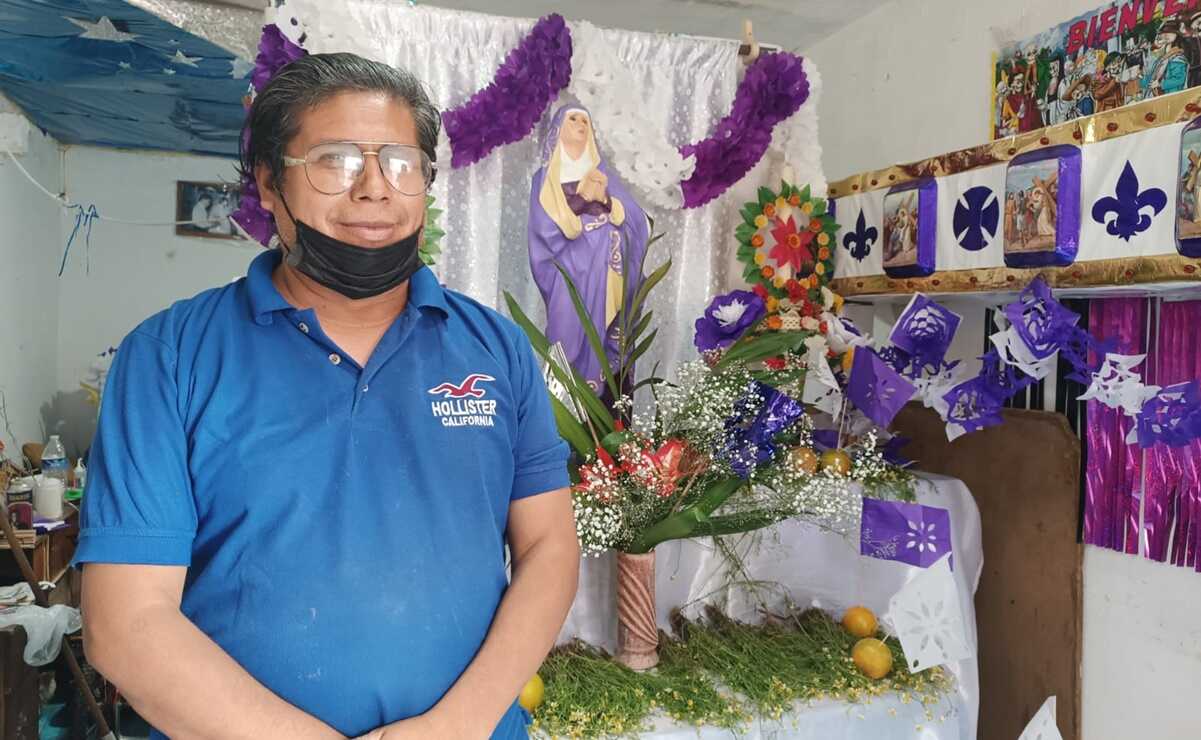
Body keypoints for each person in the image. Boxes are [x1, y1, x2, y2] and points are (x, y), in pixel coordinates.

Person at [76, 53, 579, 740]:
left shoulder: (496, 348)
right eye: (334, 161)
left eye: (401, 163)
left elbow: (549, 547)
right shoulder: (170, 355)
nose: (374, 189)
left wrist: (456, 725)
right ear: (268, 183)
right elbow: (126, 624)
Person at [527, 105, 649, 395]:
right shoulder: (545, 179)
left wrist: (606, 201)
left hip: (608, 274)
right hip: (569, 277)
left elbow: (637, 220)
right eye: (573, 119)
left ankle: (605, 403)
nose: (581, 124)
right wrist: (581, 203)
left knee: (606, 337)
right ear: (558, 129)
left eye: (585, 120)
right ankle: (566, 403)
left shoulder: (603, 175)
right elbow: (543, 229)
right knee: (565, 336)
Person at [1144, 21, 1189, 97]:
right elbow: (1153, 76)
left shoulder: (1177, 58)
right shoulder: (1162, 58)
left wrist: (1160, 84)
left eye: (1170, 31)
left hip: (1173, 96)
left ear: (1176, 34)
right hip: (1161, 95)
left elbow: (1179, 79)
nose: (1166, 34)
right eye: (1163, 32)